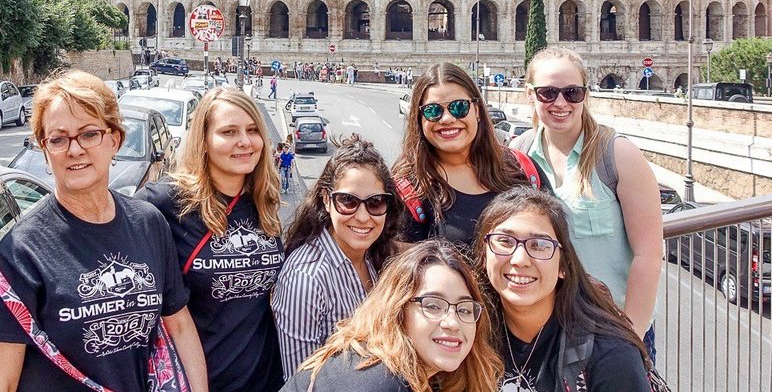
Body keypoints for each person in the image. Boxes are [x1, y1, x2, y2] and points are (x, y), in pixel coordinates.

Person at [0, 70, 207, 392]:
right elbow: (6, 381)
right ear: (44, 149)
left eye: (88, 134)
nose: (74, 149)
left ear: (114, 139)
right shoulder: (19, 252)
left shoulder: (149, 223)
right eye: (58, 139)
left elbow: (178, 326)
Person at [512, 47, 662, 357]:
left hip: (612, 328)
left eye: (572, 92)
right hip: (548, 330)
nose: (561, 103)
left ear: (585, 94)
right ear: (530, 95)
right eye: (548, 93)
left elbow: (649, 255)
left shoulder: (618, 155)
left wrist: (630, 336)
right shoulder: (519, 153)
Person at [137, 86, 285, 392]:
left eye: (253, 130)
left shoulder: (263, 201)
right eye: (229, 132)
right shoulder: (165, 202)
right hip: (198, 382)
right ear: (203, 141)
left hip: (265, 381)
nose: (244, 141)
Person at [474, 187, 652, 391]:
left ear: (563, 266)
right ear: (483, 254)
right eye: (504, 241)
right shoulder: (470, 334)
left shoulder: (611, 355)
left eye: (539, 245)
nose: (520, 259)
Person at [280, 241, 503, 392]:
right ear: (397, 310)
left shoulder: (383, 362)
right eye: (433, 306)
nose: (453, 323)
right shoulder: (380, 381)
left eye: (464, 309)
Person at [272, 135, 403, 377]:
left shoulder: (376, 257)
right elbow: (301, 382)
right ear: (326, 199)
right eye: (348, 201)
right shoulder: (306, 279)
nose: (363, 217)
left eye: (375, 203)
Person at [392, 62, 550, 247]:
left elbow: (558, 248)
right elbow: (404, 268)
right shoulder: (408, 190)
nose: (448, 119)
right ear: (419, 119)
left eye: (459, 107)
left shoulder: (521, 168)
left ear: (476, 110)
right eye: (433, 110)